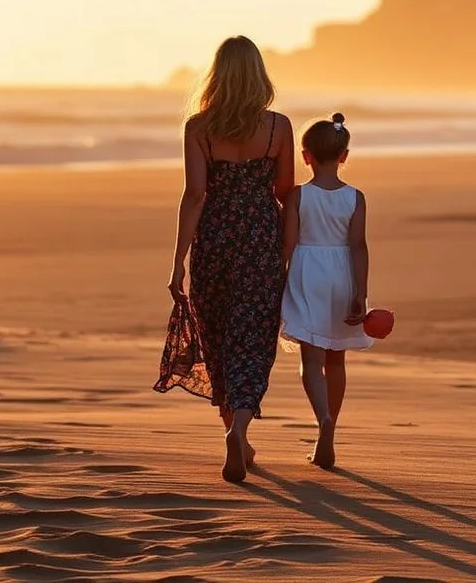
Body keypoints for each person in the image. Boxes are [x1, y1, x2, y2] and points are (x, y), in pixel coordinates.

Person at [154, 35, 294, 483]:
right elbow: (285, 193)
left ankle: (234, 434)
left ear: (217, 74)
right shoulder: (277, 127)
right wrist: (289, 251)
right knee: (253, 338)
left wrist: (178, 260)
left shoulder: (199, 128)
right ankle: (241, 428)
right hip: (259, 241)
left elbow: (196, 195)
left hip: (215, 239)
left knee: (216, 335)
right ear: (259, 75)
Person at [280, 112, 373, 470]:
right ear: (344, 156)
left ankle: (323, 421)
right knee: (337, 359)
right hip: (342, 275)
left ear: (306, 156)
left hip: (307, 273)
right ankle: (330, 427)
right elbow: (359, 246)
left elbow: (288, 244)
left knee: (311, 360)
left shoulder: (298, 196)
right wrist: (360, 293)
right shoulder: (355, 197)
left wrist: (278, 280)